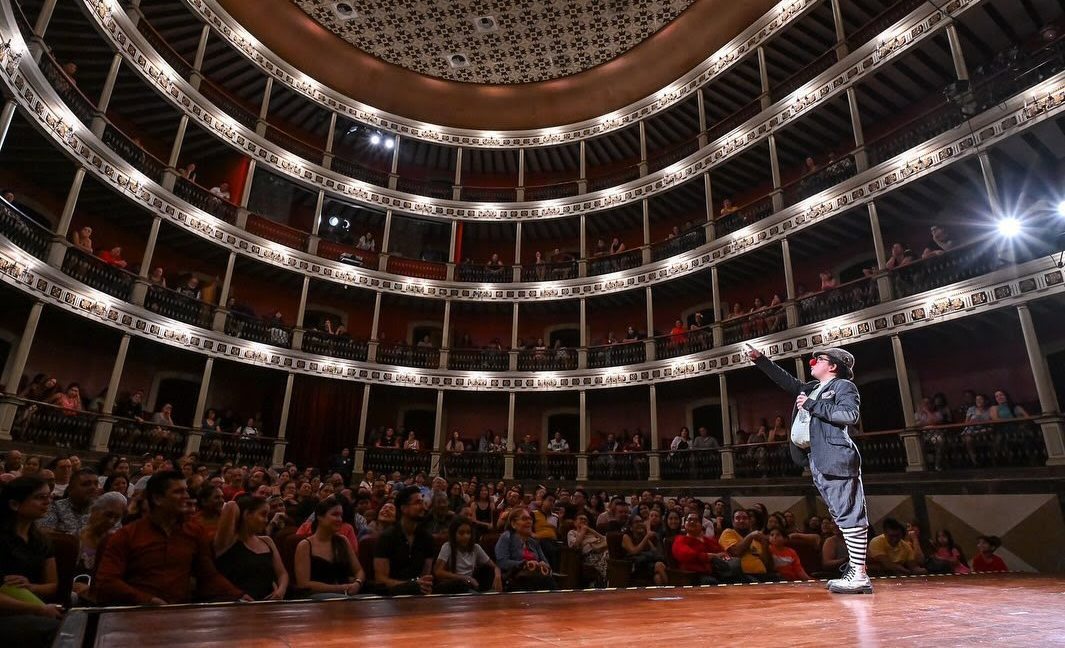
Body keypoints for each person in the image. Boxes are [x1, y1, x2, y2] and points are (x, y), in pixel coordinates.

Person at [747, 345, 871, 594]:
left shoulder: (842, 386)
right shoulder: (812, 388)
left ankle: (858, 573)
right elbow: (787, 381)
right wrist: (761, 360)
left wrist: (813, 406)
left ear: (833, 366)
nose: (812, 362)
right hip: (817, 458)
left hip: (835, 456)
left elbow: (849, 414)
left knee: (849, 514)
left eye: (818, 359)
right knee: (840, 515)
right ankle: (856, 572)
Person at [93, 471, 248, 605]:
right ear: (158, 499)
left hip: (176, 615)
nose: (187, 497)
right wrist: (147, 600)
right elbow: (107, 582)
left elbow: (207, 576)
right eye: (178, 492)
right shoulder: (127, 535)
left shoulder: (193, 532)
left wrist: (239, 596)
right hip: (133, 614)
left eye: (186, 491)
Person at [0, 476, 62, 648]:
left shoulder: (41, 540)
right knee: (57, 630)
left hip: (32, 607)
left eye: (49, 497)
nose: (47, 502)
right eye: (39, 497)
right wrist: (38, 609)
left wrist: (30, 587)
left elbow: (52, 585)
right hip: (6, 613)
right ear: (14, 504)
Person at [214, 496, 288, 600]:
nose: (267, 520)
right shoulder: (228, 542)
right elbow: (231, 506)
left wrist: (281, 590)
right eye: (263, 514)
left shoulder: (267, 541)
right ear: (247, 514)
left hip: (267, 603)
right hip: (237, 604)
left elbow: (282, 573)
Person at [294, 497, 364, 599]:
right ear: (319, 517)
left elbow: (359, 571)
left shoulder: (343, 541)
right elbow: (304, 584)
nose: (339, 519)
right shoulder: (305, 545)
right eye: (335, 515)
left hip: (346, 596)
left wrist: (357, 583)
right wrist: (340, 588)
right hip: (317, 600)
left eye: (341, 515)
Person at [373, 486, 434, 595]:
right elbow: (381, 580)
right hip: (391, 596)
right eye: (417, 503)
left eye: (422, 502)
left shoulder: (427, 538)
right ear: (403, 508)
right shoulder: (386, 537)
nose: (423, 507)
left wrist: (422, 586)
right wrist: (411, 585)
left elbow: (425, 576)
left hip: (418, 595)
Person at [433, 517, 502, 593]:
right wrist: (465, 578)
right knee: (461, 585)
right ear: (454, 534)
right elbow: (438, 572)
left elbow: (494, 566)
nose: (466, 536)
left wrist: (497, 575)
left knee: (488, 571)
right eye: (461, 533)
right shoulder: (448, 547)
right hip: (453, 584)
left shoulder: (476, 548)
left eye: (468, 533)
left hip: (470, 584)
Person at [494, 507, 556, 591]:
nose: (529, 522)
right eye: (524, 519)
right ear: (513, 524)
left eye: (530, 519)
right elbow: (502, 562)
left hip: (537, 578)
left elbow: (546, 564)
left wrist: (543, 564)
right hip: (515, 578)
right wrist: (524, 564)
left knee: (549, 581)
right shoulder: (507, 537)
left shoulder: (534, 542)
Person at [672, 512, 728, 585]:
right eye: (689, 520)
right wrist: (712, 556)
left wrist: (720, 557)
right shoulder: (680, 540)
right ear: (684, 524)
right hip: (695, 575)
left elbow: (723, 553)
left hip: (717, 571)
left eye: (696, 520)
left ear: (701, 525)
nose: (692, 522)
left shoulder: (708, 540)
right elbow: (687, 555)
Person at [40, 468, 97, 536]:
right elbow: (45, 533)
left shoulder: (101, 510)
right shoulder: (55, 507)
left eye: (96, 484)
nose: (93, 487)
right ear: (71, 489)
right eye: (86, 484)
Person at [718, 509, 771, 581]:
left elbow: (766, 564)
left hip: (762, 575)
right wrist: (751, 536)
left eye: (744, 518)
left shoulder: (756, 539)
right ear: (733, 522)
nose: (741, 520)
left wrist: (764, 544)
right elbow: (736, 552)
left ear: (749, 521)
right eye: (737, 518)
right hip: (741, 576)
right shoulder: (728, 532)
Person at [622, 514, 668, 585]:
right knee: (659, 566)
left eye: (641, 521)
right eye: (636, 522)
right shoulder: (626, 536)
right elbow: (634, 551)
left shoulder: (642, 535)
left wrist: (646, 536)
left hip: (647, 564)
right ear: (631, 526)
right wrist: (646, 537)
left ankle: (664, 594)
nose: (640, 524)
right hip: (635, 566)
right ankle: (671, 590)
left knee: (658, 578)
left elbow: (654, 551)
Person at [567, 513, 609, 587]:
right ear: (575, 522)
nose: (583, 520)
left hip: (602, 551)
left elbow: (605, 539)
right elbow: (575, 546)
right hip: (589, 555)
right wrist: (583, 531)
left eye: (585, 520)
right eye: (581, 518)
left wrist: (589, 530)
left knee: (609, 544)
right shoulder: (572, 533)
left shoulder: (592, 533)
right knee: (606, 558)